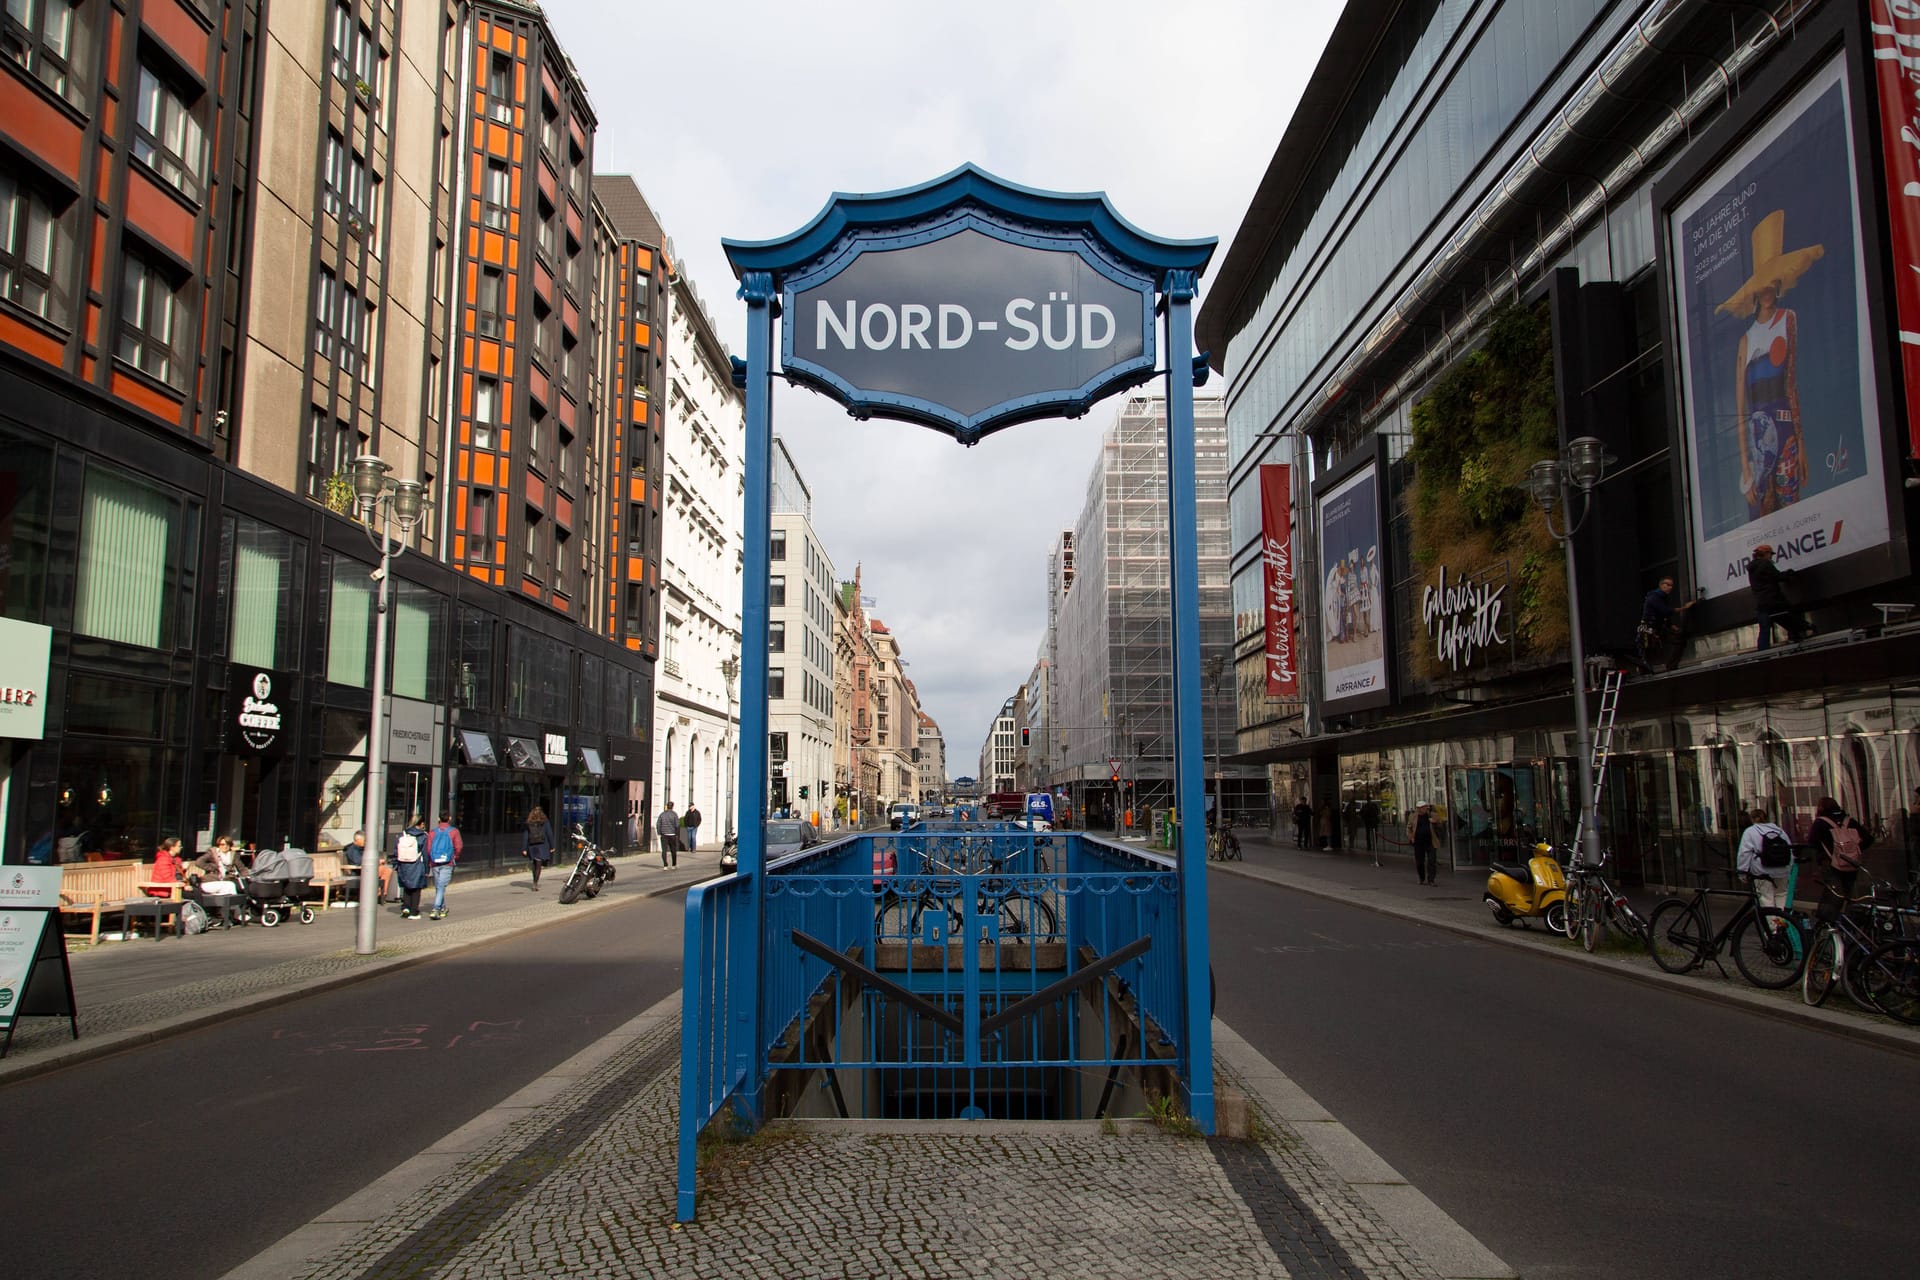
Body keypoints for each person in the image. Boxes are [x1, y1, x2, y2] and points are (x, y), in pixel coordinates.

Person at [1746, 544, 1810, 650]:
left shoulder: (1752, 568)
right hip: (1774, 600)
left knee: (1764, 628)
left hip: (1761, 603)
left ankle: (1763, 652)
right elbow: (1777, 576)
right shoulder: (1765, 564)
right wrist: (1788, 574)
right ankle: (1796, 636)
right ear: (1765, 554)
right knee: (1789, 614)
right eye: (1770, 554)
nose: (1771, 557)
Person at [1809, 795, 1873, 897]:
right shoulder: (1849, 821)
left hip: (1830, 863)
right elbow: (1869, 839)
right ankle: (1850, 910)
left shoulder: (1820, 823)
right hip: (1851, 862)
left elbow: (1812, 842)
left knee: (1834, 894)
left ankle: (1835, 912)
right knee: (1850, 893)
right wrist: (1855, 850)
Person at [1735, 806, 1795, 912]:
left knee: (1766, 899)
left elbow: (1744, 853)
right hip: (1782, 870)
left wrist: (1742, 872)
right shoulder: (1779, 831)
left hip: (1762, 871)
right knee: (1782, 896)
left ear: (1752, 819)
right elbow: (1790, 850)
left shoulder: (1750, 831)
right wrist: (1789, 869)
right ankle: (1784, 924)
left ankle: (1772, 927)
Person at [1637, 577, 1695, 672]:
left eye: (1671, 585)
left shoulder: (1662, 598)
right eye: (1667, 585)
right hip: (1649, 629)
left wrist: (1671, 625)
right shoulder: (1654, 597)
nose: (1670, 587)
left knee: (1680, 639)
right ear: (1661, 585)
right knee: (1647, 652)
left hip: (1659, 627)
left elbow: (1662, 614)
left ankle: (1671, 666)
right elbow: (1666, 611)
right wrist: (1685, 607)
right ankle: (1644, 670)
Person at [391, 815, 430, 919]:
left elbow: (396, 851)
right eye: (423, 824)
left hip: (403, 864)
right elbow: (425, 854)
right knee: (416, 889)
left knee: (406, 887)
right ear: (421, 824)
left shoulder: (402, 834)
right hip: (417, 864)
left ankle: (406, 908)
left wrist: (395, 864)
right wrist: (427, 869)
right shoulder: (423, 836)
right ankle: (414, 911)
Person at [426, 811, 462, 920]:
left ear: (438, 819)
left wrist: (431, 859)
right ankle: (436, 909)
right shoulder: (454, 832)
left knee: (438, 886)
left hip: (435, 862)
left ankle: (442, 908)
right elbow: (459, 846)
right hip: (447, 862)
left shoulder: (432, 832)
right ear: (449, 818)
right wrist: (455, 856)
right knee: (441, 886)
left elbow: (428, 849)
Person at [1407, 802, 1438, 886]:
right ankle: (1422, 877)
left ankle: (1431, 879)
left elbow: (1440, 825)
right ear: (1418, 808)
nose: (1424, 809)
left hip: (1430, 842)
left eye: (1425, 807)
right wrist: (1411, 837)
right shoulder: (1413, 816)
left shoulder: (1432, 815)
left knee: (1432, 861)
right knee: (1419, 862)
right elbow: (1409, 828)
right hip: (1418, 842)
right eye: (1422, 807)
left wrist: (1434, 822)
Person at [523, 805, 552, 891]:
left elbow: (525, 836)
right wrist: (552, 846)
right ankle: (535, 883)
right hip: (542, 845)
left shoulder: (529, 822)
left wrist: (524, 848)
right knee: (539, 865)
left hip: (532, 845)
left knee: (534, 863)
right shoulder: (545, 821)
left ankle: (534, 881)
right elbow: (549, 834)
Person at [656, 802, 681, 868]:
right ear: (672, 806)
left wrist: (659, 832)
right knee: (673, 850)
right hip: (672, 834)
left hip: (664, 834)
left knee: (664, 850)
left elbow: (658, 824)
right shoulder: (674, 814)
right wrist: (677, 834)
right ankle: (674, 864)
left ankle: (665, 865)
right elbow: (677, 825)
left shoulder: (662, 814)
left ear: (667, 806)